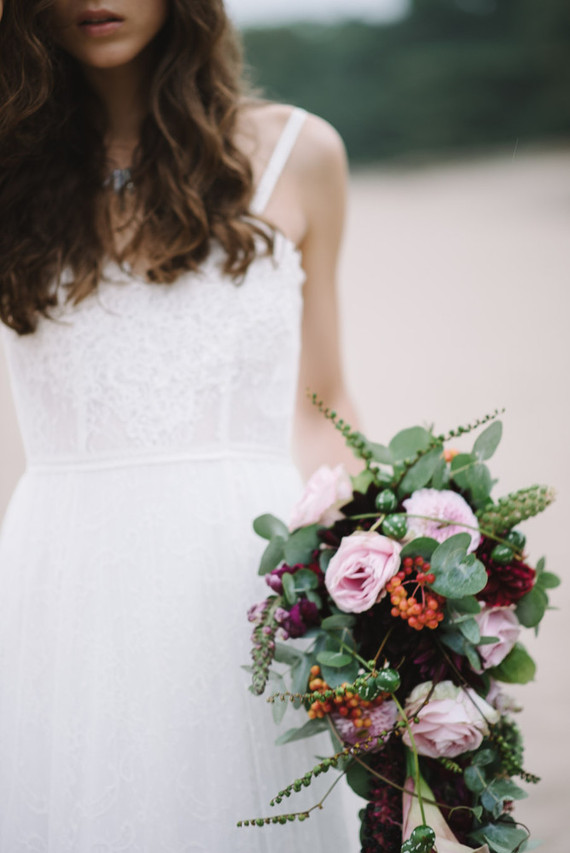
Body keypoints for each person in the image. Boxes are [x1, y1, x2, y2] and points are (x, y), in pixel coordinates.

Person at [0, 1, 361, 849]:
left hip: (248, 582)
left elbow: (327, 401)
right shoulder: (7, 175)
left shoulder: (299, 155)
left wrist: (374, 575)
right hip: (57, 589)